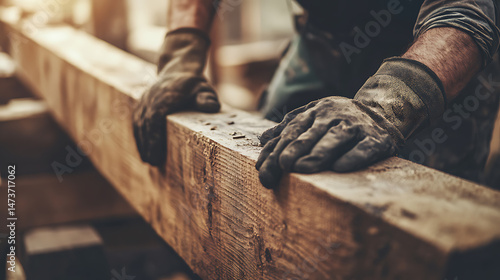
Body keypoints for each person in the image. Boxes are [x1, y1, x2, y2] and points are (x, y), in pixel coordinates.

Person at [132, 0, 500, 189]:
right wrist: (182, 52)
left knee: (420, 197)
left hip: (437, 49)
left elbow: (464, 16)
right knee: (263, 152)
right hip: (324, 37)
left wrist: (380, 108)